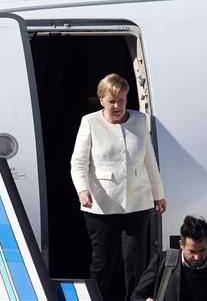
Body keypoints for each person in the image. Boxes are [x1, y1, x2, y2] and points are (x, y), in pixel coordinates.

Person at [70, 73, 167, 301]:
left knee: (135, 262)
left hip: (138, 202)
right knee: (102, 262)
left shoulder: (139, 120)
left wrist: (158, 194)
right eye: (112, 101)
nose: (117, 106)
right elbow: (79, 162)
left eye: (121, 100)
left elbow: (149, 160)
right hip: (102, 204)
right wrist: (83, 190)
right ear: (101, 100)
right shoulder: (90, 122)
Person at [132, 216, 207, 301]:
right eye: (192, 251)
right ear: (181, 245)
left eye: (202, 250)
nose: (197, 257)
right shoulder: (163, 262)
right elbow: (137, 296)